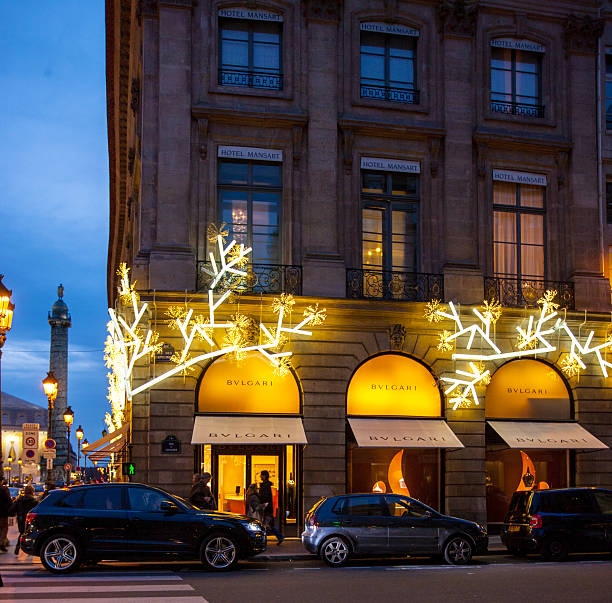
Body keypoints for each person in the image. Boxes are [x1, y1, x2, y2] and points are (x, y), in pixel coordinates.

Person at [9, 486, 38, 555]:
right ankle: (30, 549)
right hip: (30, 519)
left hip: (21, 519)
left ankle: (18, 547)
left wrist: (15, 514)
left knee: (22, 533)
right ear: (32, 492)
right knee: (31, 534)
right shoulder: (34, 501)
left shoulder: (19, 500)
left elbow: (12, 509)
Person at [259, 470, 283, 545]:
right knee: (270, 525)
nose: (260, 476)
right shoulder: (267, 485)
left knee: (264, 526)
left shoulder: (265, 486)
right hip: (268, 508)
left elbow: (265, 498)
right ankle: (280, 536)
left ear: (265, 476)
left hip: (266, 509)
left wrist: (263, 506)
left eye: (261, 475)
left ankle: (263, 541)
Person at [0, 479, 10, 552]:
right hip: (3, 513)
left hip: (3, 512)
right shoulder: (4, 490)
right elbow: (8, 500)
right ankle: (2, 543)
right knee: (4, 528)